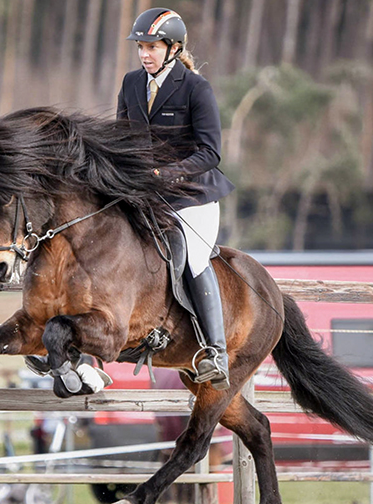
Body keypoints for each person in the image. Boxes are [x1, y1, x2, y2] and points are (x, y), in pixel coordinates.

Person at [117, 8, 236, 389]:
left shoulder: (195, 88)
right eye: (141, 47)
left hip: (192, 197)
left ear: (173, 47)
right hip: (145, 195)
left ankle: (214, 350)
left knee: (193, 258)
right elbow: (120, 140)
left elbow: (210, 153)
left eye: (151, 47)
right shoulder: (132, 84)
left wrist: (166, 174)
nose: (144, 54)